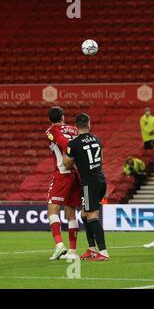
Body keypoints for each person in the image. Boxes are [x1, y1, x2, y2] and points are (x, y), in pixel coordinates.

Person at [63, 113, 109, 261]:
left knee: (91, 215)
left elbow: (66, 163)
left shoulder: (74, 143)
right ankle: (92, 248)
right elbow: (101, 158)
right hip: (101, 178)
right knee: (84, 214)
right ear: (89, 124)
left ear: (76, 126)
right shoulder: (97, 139)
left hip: (89, 182)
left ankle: (103, 252)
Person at [45, 106, 81, 260]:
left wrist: (69, 159)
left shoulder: (51, 130)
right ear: (63, 117)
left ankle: (59, 245)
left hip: (62, 173)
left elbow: (64, 144)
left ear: (50, 119)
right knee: (71, 213)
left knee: (52, 209)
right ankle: (72, 251)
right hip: (76, 175)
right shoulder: (74, 129)